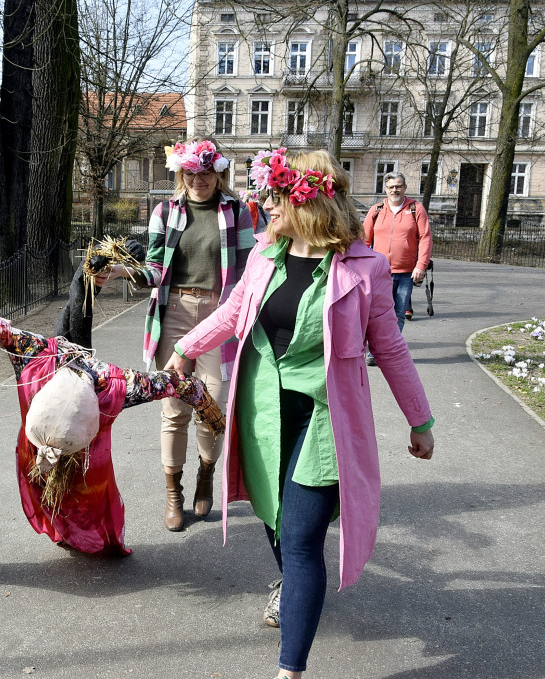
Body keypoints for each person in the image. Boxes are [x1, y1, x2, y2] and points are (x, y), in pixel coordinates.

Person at [165, 149, 435, 679]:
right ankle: (293, 587)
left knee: (302, 537)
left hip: (326, 420)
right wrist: (185, 349)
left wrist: (420, 420)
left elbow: (392, 348)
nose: (265, 205)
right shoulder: (266, 254)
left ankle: (290, 669)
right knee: (274, 520)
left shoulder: (365, 266)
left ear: (304, 201)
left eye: (274, 196)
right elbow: (234, 310)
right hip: (266, 415)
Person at [0, 317, 225, 556]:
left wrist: (210, 412)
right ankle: (57, 522)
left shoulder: (119, 386)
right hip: (36, 437)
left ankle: (87, 528)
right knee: (41, 480)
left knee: (84, 489)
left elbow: (179, 383)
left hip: (84, 456)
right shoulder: (32, 354)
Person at [97, 138, 264, 532]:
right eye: (191, 172)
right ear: (181, 173)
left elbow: (246, 271)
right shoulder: (165, 211)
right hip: (173, 315)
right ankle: (173, 494)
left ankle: (206, 475)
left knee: (212, 409)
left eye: (206, 172)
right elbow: (156, 267)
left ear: (217, 172)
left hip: (221, 316)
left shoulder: (237, 212)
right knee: (173, 409)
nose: (198, 180)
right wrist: (122, 272)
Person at [362, 172, 432, 365]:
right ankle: (372, 350)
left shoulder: (415, 209)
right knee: (375, 314)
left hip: (406, 273)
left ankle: (386, 351)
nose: (395, 190)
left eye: (399, 186)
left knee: (398, 314)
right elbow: (364, 240)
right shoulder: (376, 210)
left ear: (405, 188)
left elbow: (425, 238)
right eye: (391, 186)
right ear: (385, 188)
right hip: (378, 273)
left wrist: (421, 266)